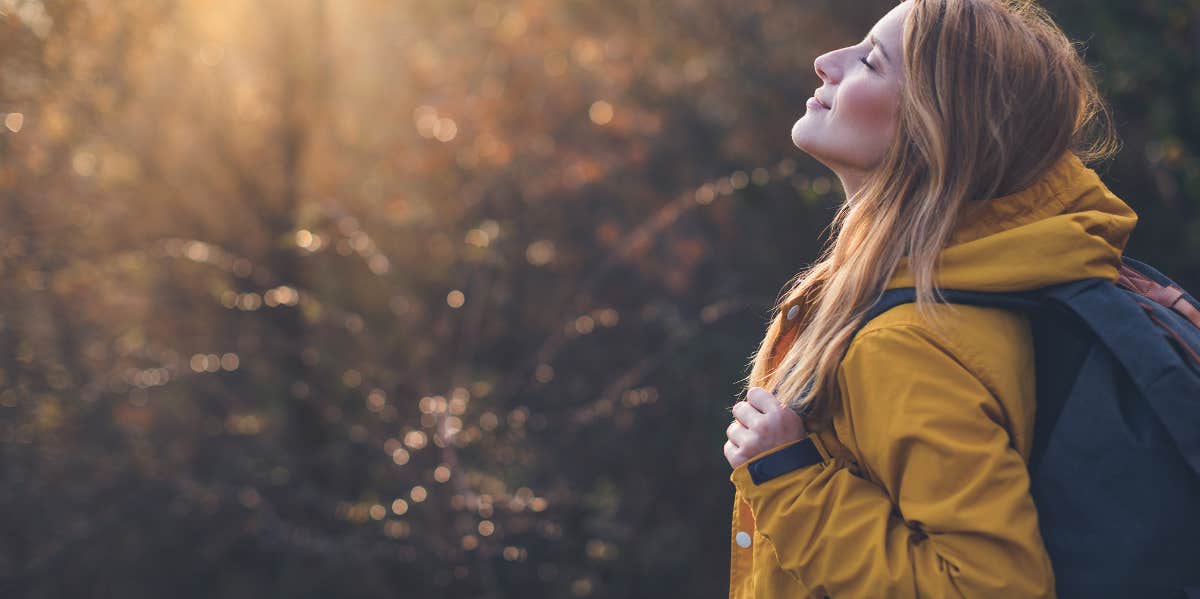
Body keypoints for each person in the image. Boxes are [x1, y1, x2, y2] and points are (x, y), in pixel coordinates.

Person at [722, 0, 1137, 597]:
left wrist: (791, 481)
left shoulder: (904, 344)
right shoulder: (987, 279)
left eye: (869, 60)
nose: (825, 62)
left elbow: (994, 588)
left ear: (934, 125)